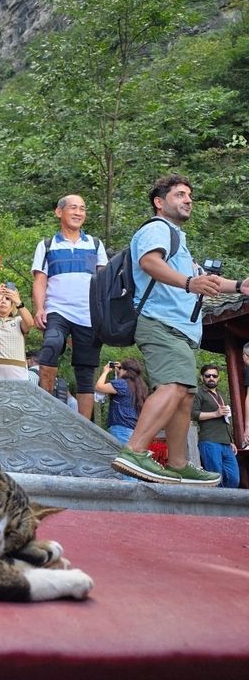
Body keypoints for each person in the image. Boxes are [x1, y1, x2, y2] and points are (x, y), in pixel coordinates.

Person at [111, 173, 249, 485]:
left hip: (182, 330)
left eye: (189, 195)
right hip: (160, 323)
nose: (187, 200)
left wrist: (240, 285)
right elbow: (149, 263)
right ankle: (133, 450)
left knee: (185, 394)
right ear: (160, 203)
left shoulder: (178, 241)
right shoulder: (156, 229)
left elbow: (208, 282)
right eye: (179, 195)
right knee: (173, 385)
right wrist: (189, 283)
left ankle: (177, 463)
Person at [31, 194, 107, 418]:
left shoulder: (94, 244)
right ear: (59, 212)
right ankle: (45, 408)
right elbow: (40, 280)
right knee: (51, 345)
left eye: (82, 209)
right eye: (73, 208)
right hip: (57, 309)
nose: (78, 213)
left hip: (89, 313)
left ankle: (84, 427)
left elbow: (103, 278)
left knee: (86, 370)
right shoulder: (47, 245)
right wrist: (39, 308)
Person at [192, 365, 239, 488]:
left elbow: (226, 419)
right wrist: (215, 413)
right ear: (202, 378)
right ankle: (218, 506)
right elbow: (193, 414)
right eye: (208, 376)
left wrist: (231, 441)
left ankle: (227, 505)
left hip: (226, 443)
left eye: (214, 376)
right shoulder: (198, 393)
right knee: (216, 479)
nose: (211, 378)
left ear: (218, 378)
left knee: (234, 479)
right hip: (209, 441)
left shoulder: (221, 395)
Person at [0, 283, 34, 380]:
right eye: (1, 298)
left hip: (18, 375)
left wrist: (17, 301)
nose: (3, 301)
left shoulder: (18, 320)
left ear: (12, 306)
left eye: (7, 299)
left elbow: (30, 323)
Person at [95, 359, 149, 446]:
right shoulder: (141, 386)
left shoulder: (122, 384)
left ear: (126, 371)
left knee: (120, 457)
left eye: (121, 369)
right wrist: (120, 370)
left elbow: (99, 387)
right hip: (133, 428)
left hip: (121, 428)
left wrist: (105, 372)